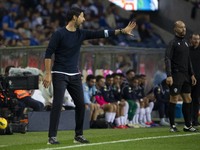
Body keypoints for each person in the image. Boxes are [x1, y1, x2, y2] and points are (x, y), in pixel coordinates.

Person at [42, 7, 136, 144]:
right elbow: (48, 54)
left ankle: (78, 135)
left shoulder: (82, 33)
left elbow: (102, 33)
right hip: (59, 73)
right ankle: (52, 137)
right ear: (75, 17)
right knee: (57, 104)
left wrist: (122, 31)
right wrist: (48, 74)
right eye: (82, 16)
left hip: (74, 74)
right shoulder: (59, 34)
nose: (84, 19)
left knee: (81, 104)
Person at [165, 21, 199, 132]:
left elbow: (188, 60)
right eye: (181, 27)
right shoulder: (172, 43)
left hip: (186, 75)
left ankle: (187, 125)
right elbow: (167, 59)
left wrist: (192, 74)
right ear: (175, 29)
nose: (183, 29)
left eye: (184, 27)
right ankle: (172, 126)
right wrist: (169, 75)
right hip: (176, 74)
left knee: (188, 99)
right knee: (174, 99)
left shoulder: (185, 43)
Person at [189, 33, 200, 127]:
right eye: (195, 39)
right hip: (188, 79)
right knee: (188, 99)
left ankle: (195, 120)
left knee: (196, 99)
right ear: (190, 40)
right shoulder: (187, 51)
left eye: (198, 39)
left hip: (199, 79)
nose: (196, 41)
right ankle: (187, 120)